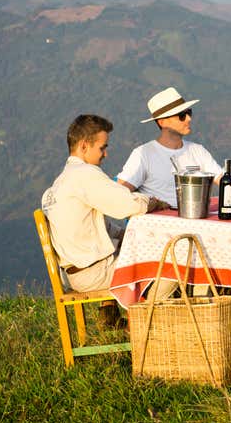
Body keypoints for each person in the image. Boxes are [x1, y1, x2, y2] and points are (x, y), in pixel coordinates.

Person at [41, 114, 167, 311]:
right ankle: (140, 320)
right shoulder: (85, 175)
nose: (105, 154)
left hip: (75, 273)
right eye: (102, 147)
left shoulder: (59, 184)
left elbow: (97, 227)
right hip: (95, 274)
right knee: (171, 264)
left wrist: (124, 234)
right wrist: (153, 202)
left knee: (143, 251)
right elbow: (129, 204)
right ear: (84, 146)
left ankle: (114, 315)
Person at [117, 87, 231, 207]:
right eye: (182, 116)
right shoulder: (143, 154)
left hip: (196, 220)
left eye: (189, 113)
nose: (189, 119)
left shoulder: (197, 151)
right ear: (163, 122)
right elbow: (120, 193)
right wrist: (151, 204)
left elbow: (223, 181)